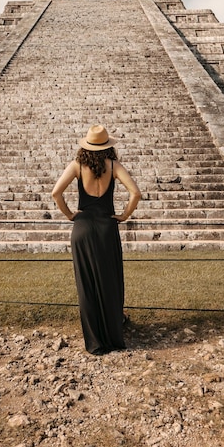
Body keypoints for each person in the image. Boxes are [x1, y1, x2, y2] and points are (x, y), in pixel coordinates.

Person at [52, 124, 141, 355]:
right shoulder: (113, 166)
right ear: (107, 146)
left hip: (82, 228)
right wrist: (123, 215)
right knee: (110, 281)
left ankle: (94, 341)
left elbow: (56, 193)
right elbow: (136, 193)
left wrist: (70, 214)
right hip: (106, 228)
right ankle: (114, 332)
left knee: (87, 286)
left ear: (86, 147)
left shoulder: (77, 166)